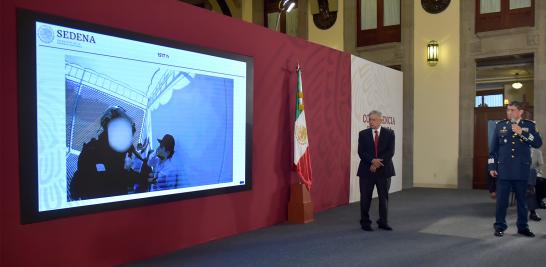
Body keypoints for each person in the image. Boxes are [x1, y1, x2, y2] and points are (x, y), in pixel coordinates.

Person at [489, 101, 542, 237]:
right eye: (508, 110)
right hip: (504, 170)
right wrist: (492, 166)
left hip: (521, 170)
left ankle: (523, 227)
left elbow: (538, 143)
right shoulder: (500, 126)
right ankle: (500, 226)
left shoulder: (529, 126)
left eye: (512, 110)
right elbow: (493, 151)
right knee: (502, 201)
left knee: (522, 201)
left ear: (520, 112)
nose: (509, 112)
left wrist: (522, 133)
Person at [69, 106, 147, 200]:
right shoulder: (92, 151)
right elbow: (110, 181)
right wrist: (127, 171)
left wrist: (141, 178)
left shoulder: (93, 149)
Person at [357, 110, 395, 231]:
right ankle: (365, 222)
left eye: (373, 120)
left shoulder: (390, 133)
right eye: (370, 120)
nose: (371, 122)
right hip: (366, 171)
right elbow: (361, 152)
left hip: (384, 171)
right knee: (365, 198)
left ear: (380, 120)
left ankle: (383, 222)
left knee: (383, 198)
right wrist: (372, 161)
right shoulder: (363, 134)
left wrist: (377, 163)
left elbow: (390, 152)